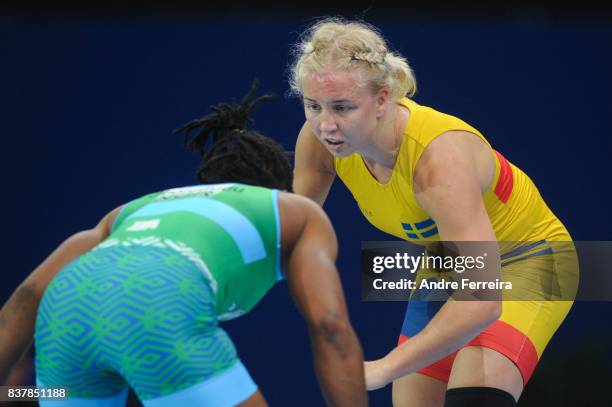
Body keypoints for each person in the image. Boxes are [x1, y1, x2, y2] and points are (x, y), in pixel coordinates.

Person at [0, 82, 368, 407]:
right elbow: (330, 326)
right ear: (279, 187)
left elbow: (29, 294)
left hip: (64, 316)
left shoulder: (126, 212)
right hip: (160, 305)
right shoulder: (295, 210)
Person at [289, 18, 578, 407]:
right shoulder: (321, 141)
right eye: (313, 106)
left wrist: (381, 368)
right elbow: (287, 233)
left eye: (342, 107)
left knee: (471, 399)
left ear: (382, 98)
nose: (325, 124)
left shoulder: (439, 159)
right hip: (447, 262)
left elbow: (482, 297)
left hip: (530, 258)